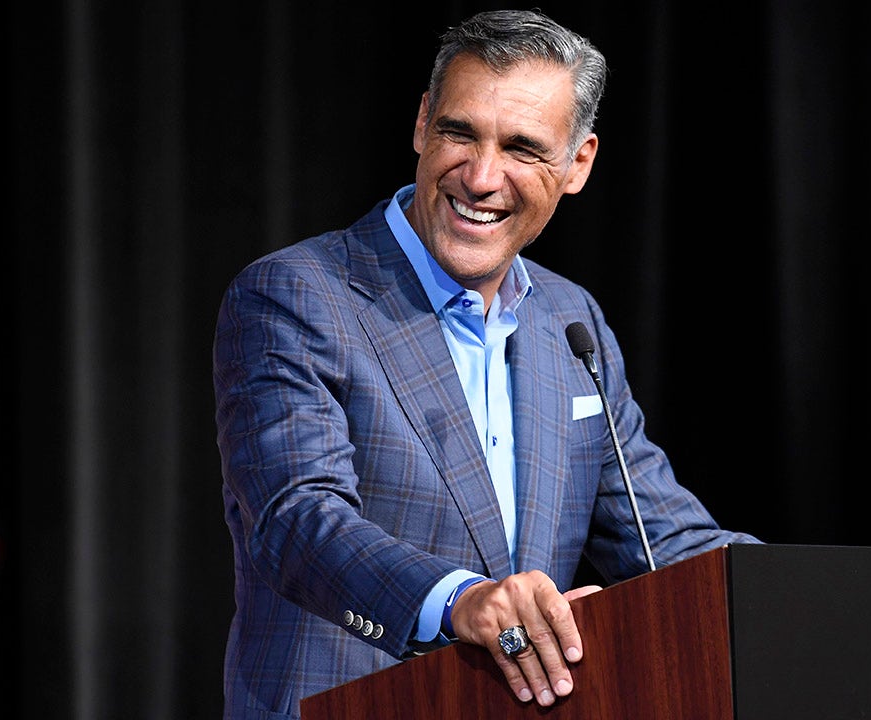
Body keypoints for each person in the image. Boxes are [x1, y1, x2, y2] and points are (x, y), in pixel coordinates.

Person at [212, 8, 760, 719]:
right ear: (422, 124)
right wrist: (462, 600)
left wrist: (807, 593)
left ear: (578, 164)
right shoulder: (297, 294)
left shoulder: (569, 319)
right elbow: (296, 522)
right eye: (460, 133)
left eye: (523, 148)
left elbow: (665, 542)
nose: (481, 176)